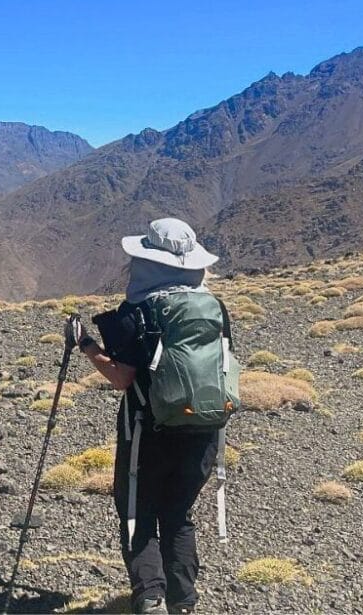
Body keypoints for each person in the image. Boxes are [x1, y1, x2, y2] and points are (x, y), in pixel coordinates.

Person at [77, 218, 233, 615]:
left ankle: (150, 598)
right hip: (205, 429)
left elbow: (121, 377)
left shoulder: (137, 312)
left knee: (138, 513)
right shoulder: (215, 308)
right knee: (178, 514)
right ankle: (184, 602)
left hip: (148, 432)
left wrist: (87, 345)